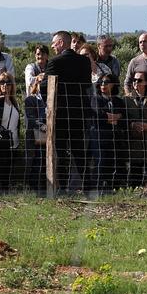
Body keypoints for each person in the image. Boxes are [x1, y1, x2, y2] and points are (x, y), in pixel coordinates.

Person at [44, 29, 94, 192]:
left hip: (60, 114)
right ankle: (87, 186)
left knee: (60, 152)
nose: (52, 47)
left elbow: (45, 87)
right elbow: (87, 84)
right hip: (79, 113)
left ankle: (62, 188)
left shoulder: (54, 62)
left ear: (60, 43)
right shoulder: (84, 62)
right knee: (79, 151)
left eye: (54, 43)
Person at [91, 72, 128, 192]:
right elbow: (98, 115)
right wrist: (116, 117)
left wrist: (111, 117)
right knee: (101, 163)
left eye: (106, 82)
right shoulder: (96, 99)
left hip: (116, 138)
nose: (103, 85)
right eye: (101, 82)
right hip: (100, 138)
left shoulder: (118, 101)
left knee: (116, 163)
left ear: (113, 84)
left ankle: (116, 188)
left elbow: (124, 117)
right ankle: (98, 189)